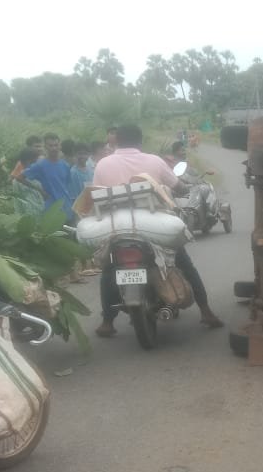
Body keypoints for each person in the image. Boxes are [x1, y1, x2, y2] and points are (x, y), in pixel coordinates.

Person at [91, 123, 223, 337]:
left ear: (115, 142)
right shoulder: (154, 161)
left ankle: (107, 321)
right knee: (184, 264)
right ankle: (206, 312)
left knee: (108, 271)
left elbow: (95, 195)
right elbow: (177, 186)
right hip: (154, 229)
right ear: (140, 141)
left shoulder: (102, 165)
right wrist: (181, 188)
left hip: (117, 231)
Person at [19, 133, 74, 221]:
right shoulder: (40, 165)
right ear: (45, 147)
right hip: (51, 209)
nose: (54, 148)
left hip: (67, 207)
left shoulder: (65, 165)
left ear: (60, 146)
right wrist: (40, 191)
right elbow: (20, 177)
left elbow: (66, 186)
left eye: (56, 145)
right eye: (50, 145)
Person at [11, 148, 44, 216]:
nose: (34, 165)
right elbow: (17, 202)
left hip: (44, 213)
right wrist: (18, 217)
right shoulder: (17, 182)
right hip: (29, 215)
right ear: (23, 163)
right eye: (32, 162)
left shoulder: (41, 176)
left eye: (35, 162)